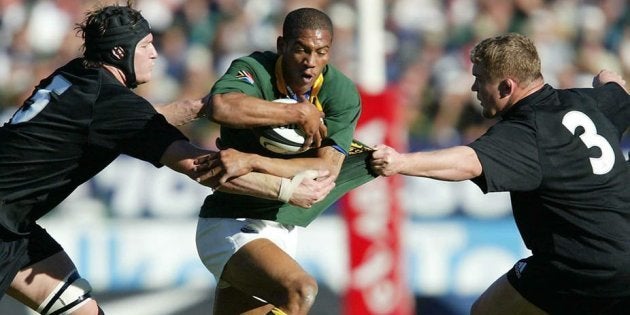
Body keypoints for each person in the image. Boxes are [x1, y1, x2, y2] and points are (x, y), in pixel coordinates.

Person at [0, 2, 335, 315]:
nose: (155, 54)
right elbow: (196, 165)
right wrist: (287, 190)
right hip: (3, 224)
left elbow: (147, 119)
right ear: (121, 52)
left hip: (15, 227)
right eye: (146, 45)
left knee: (82, 309)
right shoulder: (112, 103)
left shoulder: (79, 76)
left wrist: (213, 104)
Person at [370, 33, 630, 315]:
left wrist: (400, 162)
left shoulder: (527, 131)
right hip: (621, 254)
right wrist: (607, 80)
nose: (473, 87)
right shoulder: (586, 102)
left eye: (480, 79)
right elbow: (618, 93)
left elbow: (467, 162)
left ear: (507, 86)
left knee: (487, 310)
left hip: (583, 266)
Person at [194, 7, 365, 315]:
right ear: (282, 45)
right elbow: (220, 107)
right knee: (301, 290)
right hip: (231, 222)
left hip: (282, 227)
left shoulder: (340, 93)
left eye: (321, 52)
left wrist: (251, 161)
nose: (311, 62)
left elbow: (325, 168)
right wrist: (297, 112)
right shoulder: (254, 69)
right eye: (302, 49)